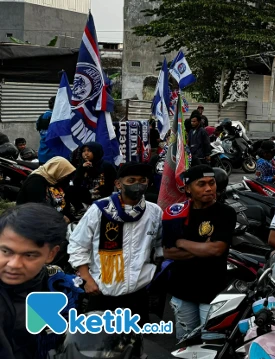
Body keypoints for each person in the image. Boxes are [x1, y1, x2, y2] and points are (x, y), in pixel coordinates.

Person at [67, 162, 163, 325]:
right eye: (131, 180)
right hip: (102, 293)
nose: (137, 185)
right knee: (97, 345)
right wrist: (87, 279)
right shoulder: (100, 209)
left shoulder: (154, 212)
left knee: (135, 345)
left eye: (142, 180)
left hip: (137, 294)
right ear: (118, 183)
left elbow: (159, 247)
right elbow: (78, 245)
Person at [162, 165, 236, 340]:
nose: (209, 188)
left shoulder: (225, 213)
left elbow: (216, 249)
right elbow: (168, 252)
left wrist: (181, 242)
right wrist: (203, 248)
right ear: (188, 188)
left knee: (211, 344)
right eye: (201, 184)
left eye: (212, 183)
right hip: (182, 290)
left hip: (212, 291)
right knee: (186, 342)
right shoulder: (176, 213)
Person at [0, 203, 83, 359]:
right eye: (6, 251)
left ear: (51, 254)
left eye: (30, 255)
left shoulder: (59, 285)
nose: (14, 264)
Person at [16, 156, 76, 222]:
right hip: (31, 220)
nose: (65, 176)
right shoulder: (35, 181)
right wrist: (61, 217)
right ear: (56, 170)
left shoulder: (53, 180)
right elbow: (39, 206)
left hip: (51, 218)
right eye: (64, 173)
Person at [72, 142, 117, 208]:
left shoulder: (106, 166)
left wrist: (101, 190)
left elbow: (112, 183)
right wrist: (81, 169)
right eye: (84, 151)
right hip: (85, 202)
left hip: (104, 201)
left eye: (89, 150)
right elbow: (76, 183)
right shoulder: (82, 166)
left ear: (96, 152)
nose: (86, 153)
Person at [36, 96, 58, 164]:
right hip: (54, 157)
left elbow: (38, 129)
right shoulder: (58, 118)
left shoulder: (41, 117)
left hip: (42, 154)